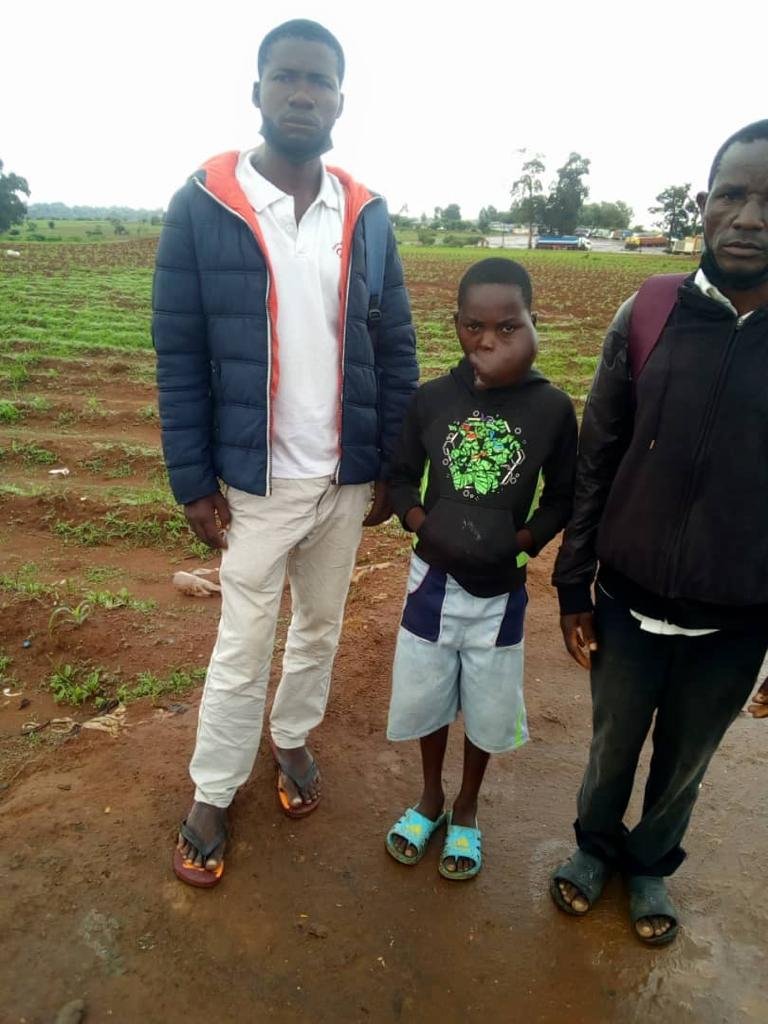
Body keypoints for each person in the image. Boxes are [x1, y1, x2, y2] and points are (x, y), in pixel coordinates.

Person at [152, 19, 418, 887]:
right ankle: (213, 788)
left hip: (344, 479)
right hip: (255, 484)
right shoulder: (205, 203)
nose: (303, 94)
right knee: (242, 641)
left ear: (342, 98)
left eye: (321, 81)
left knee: (320, 628)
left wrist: (390, 463)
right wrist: (193, 477)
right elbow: (180, 348)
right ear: (258, 91)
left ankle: (293, 737)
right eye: (287, 78)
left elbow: (396, 342)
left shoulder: (366, 213)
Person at [550, 120, 768, 944]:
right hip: (626, 600)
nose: (749, 217)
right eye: (733, 194)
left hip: (738, 618)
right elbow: (595, 457)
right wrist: (575, 581)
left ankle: (649, 867)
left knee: (685, 763)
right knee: (612, 743)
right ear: (704, 206)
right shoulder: (645, 311)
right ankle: (593, 848)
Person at [384, 258, 577, 879]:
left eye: (506, 326)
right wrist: (420, 523)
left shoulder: (550, 409)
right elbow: (399, 476)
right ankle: (430, 797)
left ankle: (466, 808)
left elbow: (562, 498)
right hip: (430, 583)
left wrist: (519, 544)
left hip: (500, 591)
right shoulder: (433, 399)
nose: (488, 341)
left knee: (488, 705)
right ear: (458, 326)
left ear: (531, 325)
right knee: (428, 696)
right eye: (474, 327)